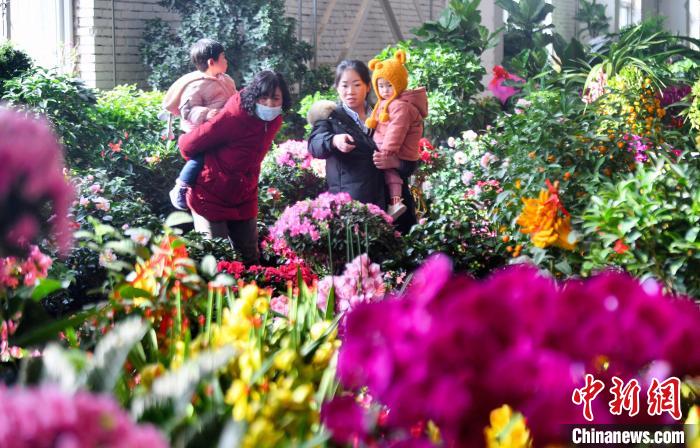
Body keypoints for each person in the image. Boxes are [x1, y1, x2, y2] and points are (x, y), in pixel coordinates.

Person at [178, 71, 291, 265]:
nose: (270, 104)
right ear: (254, 97)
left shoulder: (275, 119)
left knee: (250, 258)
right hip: (211, 194)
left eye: (275, 98)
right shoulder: (233, 116)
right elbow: (189, 145)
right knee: (218, 261)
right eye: (263, 98)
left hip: (244, 194)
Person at [162, 38, 237, 210]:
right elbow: (186, 109)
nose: (226, 61)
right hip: (199, 131)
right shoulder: (196, 86)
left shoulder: (227, 80)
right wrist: (206, 113)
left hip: (219, 129)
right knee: (202, 156)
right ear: (212, 62)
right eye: (223, 57)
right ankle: (181, 186)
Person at [307, 60, 386, 209]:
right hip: (351, 207)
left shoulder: (384, 115)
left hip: (387, 201)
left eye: (357, 85)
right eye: (344, 85)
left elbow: (407, 155)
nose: (350, 91)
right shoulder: (330, 117)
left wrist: (395, 162)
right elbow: (314, 145)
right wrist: (334, 140)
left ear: (368, 86)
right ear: (337, 88)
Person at [365, 49, 428, 220]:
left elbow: (396, 131)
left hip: (395, 152)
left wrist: (387, 151)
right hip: (388, 153)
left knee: (391, 172)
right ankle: (395, 202)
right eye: (381, 85)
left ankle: (395, 202)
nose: (385, 90)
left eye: (389, 85)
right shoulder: (384, 104)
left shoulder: (401, 106)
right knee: (389, 172)